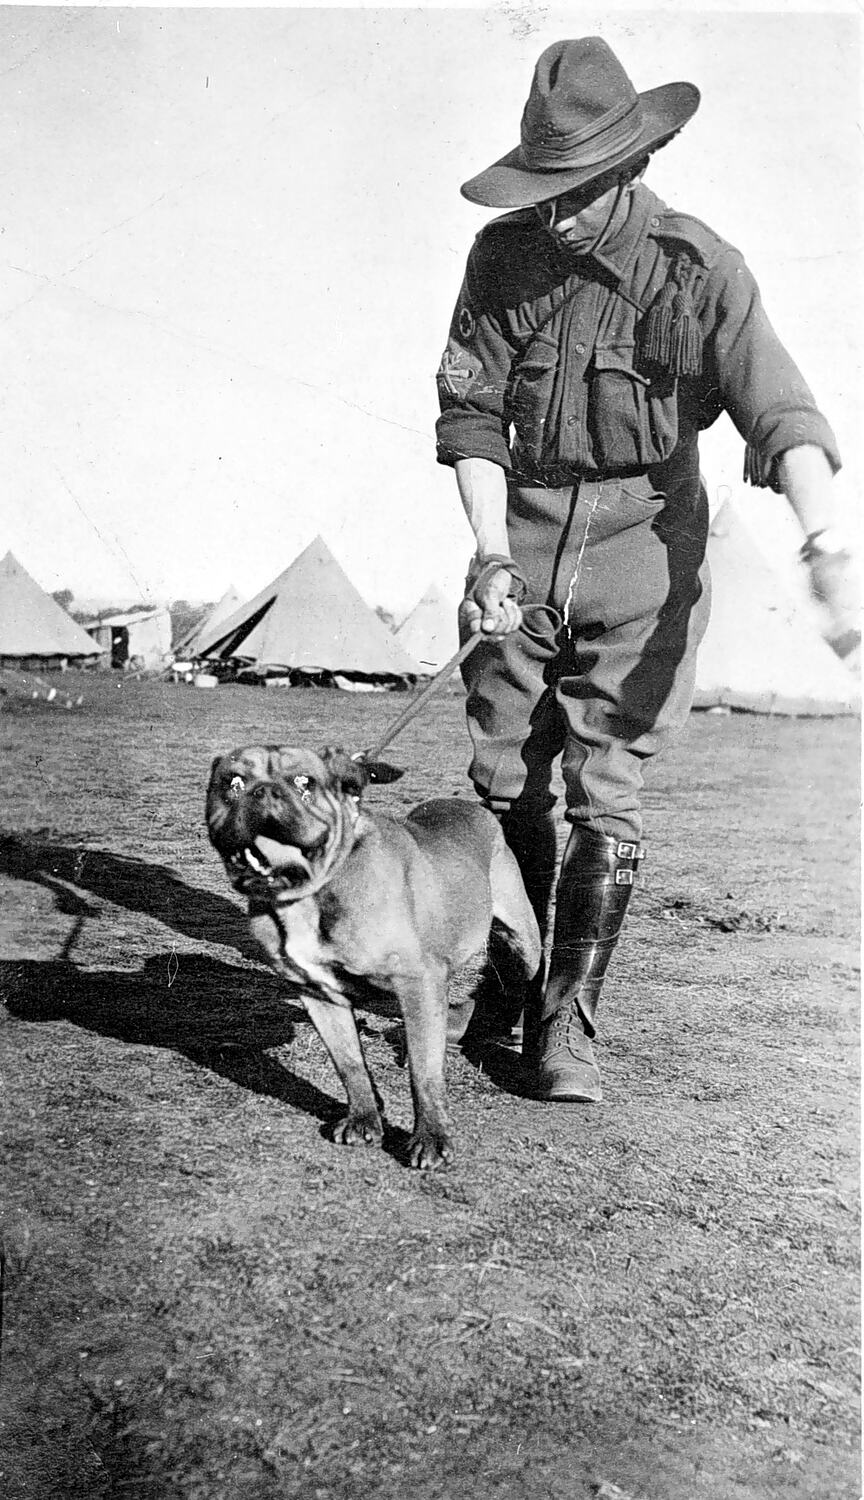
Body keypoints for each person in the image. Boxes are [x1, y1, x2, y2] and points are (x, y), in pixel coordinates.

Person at [435, 37, 858, 1104]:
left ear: (630, 165)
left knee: (606, 786)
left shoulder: (701, 269)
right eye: (544, 191)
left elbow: (782, 410)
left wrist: (826, 542)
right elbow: (473, 418)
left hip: (647, 548)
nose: (557, 214)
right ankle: (513, 981)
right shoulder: (500, 260)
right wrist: (488, 550)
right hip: (519, 540)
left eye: (575, 192)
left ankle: (566, 1027)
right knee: (502, 779)